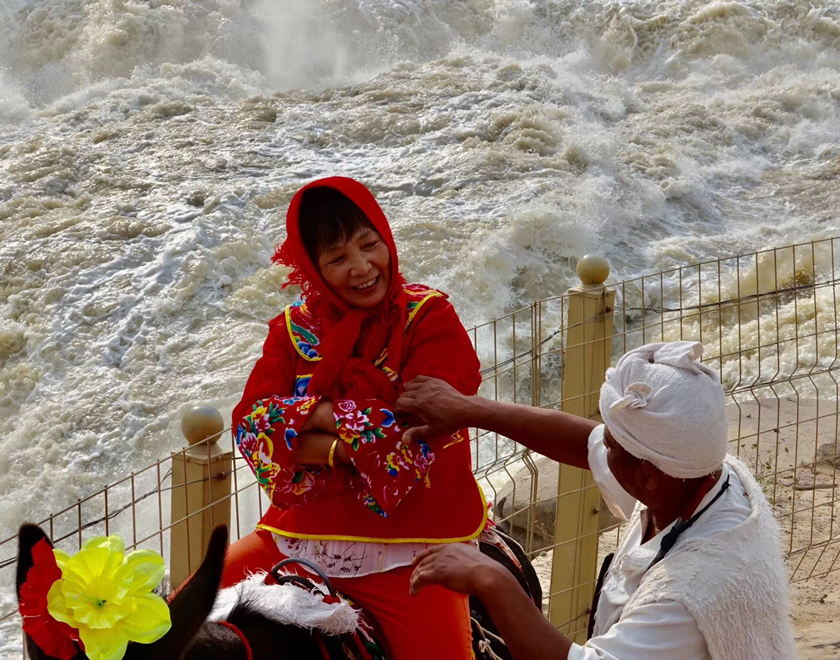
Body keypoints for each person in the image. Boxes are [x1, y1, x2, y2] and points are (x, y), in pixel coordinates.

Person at [222, 177, 487, 658]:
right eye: (337, 258)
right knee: (166, 627)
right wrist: (350, 441)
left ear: (387, 239)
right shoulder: (292, 329)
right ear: (314, 268)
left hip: (416, 546)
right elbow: (251, 428)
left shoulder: (428, 317)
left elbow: (415, 432)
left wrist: (305, 424)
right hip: (298, 536)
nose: (362, 268)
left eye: (369, 245)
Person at [398, 341, 797, 660]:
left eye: (611, 444)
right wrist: (472, 410)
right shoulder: (700, 473)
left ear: (648, 476)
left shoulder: (689, 596)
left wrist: (493, 579)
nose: (599, 447)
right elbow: (582, 440)